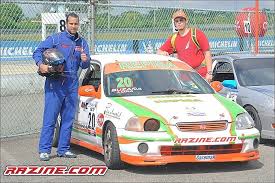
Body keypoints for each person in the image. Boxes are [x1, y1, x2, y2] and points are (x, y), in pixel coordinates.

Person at [33, 12, 91, 161]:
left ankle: (63, 149)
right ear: (66, 24)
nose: (73, 26)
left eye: (76, 24)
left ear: (78, 24)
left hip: (72, 84)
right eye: (71, 23)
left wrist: (85, 60)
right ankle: (44, 150)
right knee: (50, 118)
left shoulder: (82, 42)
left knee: (68, 119)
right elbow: (37, 51)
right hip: (55, 84)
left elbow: (86, 65)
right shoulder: (56, 38)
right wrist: (41, 65)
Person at [157, 9, 213, 82]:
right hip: (185, 78)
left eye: (181, 20)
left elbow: (207, 53)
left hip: (201, 75)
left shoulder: (197, 34)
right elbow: (159, 51)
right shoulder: (174, 38)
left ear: (186, 21)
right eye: (176, 21)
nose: (179, 23)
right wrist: (162, 53)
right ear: (174, 24)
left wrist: (209, 73)